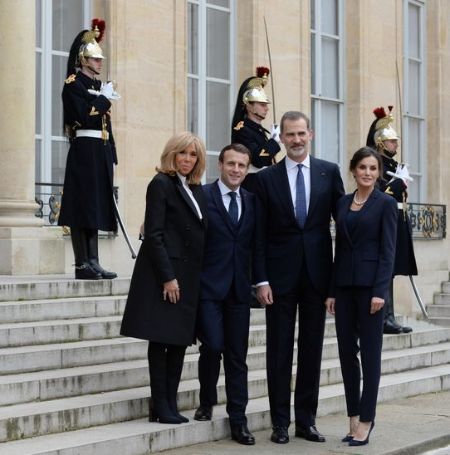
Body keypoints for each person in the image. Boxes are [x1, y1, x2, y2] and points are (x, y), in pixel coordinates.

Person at [254, 111, 345, 444]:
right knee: (278, 350)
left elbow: (345, 227)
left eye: (301, 134)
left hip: (317, 278)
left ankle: (306, 421)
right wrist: (260, 279)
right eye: (289, 135)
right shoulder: (266, 179)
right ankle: (280, 422)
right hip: (278, 279)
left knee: (311, 350)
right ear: (282, 138)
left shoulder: (329, 173)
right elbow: (258, 236)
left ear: (312, 134)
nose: (295, 140)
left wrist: (336, 284)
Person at [120, 132, 207, 424]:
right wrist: (168, 278)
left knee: (179, 341)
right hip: (164, 276)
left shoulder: (194, 188)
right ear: (172, 154)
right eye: (182, 153)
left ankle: (168, 403)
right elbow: (154, 235)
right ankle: (160, 404)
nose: (187, 159)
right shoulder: (160, 184)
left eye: (193, 154)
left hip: (188, 276)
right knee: (160, 341)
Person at [325, 147, 398, 446]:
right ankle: (353, 416)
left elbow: (388, 252)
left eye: (372, 168)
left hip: (371, 291)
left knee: (370, 356)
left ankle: (367, 420)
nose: (367, 173)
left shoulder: (386, 204)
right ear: (353, 170)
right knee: (345, 355)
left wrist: (381, 291)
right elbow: (339, 249)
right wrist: (331, 291)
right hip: (343, 288)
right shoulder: (342, 203)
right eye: (362, 168)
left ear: (378, 172)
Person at [194, 144, 255, 445]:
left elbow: (255, 245)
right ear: (220, 165)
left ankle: (238, 420)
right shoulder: (202, 196)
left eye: (242, 165)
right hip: (208, 287)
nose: (236, 170)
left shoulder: (252, 201)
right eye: (231, 164)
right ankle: (207, 400)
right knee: (213, 345)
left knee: (237, 356)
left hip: (240, 291)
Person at [59, 19, 118, 280]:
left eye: (100, 59)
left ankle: (94, 261)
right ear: (83, 60)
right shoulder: (74, 84)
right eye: (94, 59)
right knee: (82, 205)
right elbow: (85, 117)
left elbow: (105, 123)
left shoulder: (95, 85)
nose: (99, 63)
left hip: (100, 148)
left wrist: (111, 150)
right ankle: (82, 264)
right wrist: (105, 100)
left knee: (94, 205)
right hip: (84, 148)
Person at [366, 106, 417, 334]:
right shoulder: (376, 164)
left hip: (397, 218)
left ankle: (390, 317)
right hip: (383, 218)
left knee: (393, 269)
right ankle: (384, 318)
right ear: (380, 142)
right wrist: (397, 183)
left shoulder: (394, 165)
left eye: (395, 141)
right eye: (391, 141)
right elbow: (376, 192)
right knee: (385, 268)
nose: (395, 144)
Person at [231, 67, 281, 193]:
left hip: (264, 184)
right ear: (249, 106)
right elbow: (259, 160)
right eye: (262, 104)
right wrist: (274, 141)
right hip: (252, 186)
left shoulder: (258, 130)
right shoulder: (242, 130)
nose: (266, 108)